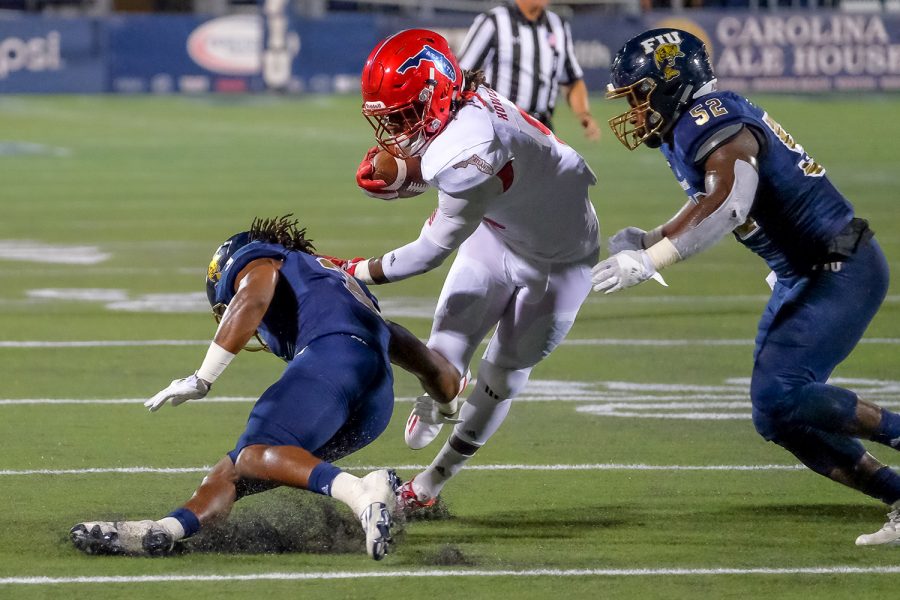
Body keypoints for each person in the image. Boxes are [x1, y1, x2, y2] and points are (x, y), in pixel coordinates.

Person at [594, 28, 900, 546]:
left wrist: (652, 257)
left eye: (640, 95)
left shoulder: (708, 120)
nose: (635, 111)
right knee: (775, 414)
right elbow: (709, 201)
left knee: (781, 393)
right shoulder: (691, 124)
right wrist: (650, 236)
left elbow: (732, 201)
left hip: (840, 263)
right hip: (805, 269)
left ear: (672, 83)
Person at [70, 216, 462, 561]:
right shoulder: (333, 286)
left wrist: (203, 376)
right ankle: (163, 530)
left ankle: (363, 492)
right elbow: (433, 366)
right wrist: (444, 407)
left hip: (332, 362)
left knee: (254, 454)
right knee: (234, 470)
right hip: (375, 405)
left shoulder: (260, 258)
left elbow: (256, 293)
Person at [351, 29, 600, 510]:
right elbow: (446, 156)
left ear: (438, 91)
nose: (399, 132)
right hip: (500, 232)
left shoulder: (470, 145)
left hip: (559, 263)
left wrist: (354, 269)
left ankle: (430, 485)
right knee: (446, 344)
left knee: (503, 375)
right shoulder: (464, 104)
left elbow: (428, 252)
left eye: (405, 116)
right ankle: (443, 396)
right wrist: (407, 171)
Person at [456, 0, 600, 140]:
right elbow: (461, 74)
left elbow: (572, 80)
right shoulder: (494, 21)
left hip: (542, 128)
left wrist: (584, 115)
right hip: (500, 126)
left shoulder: (558, 26)